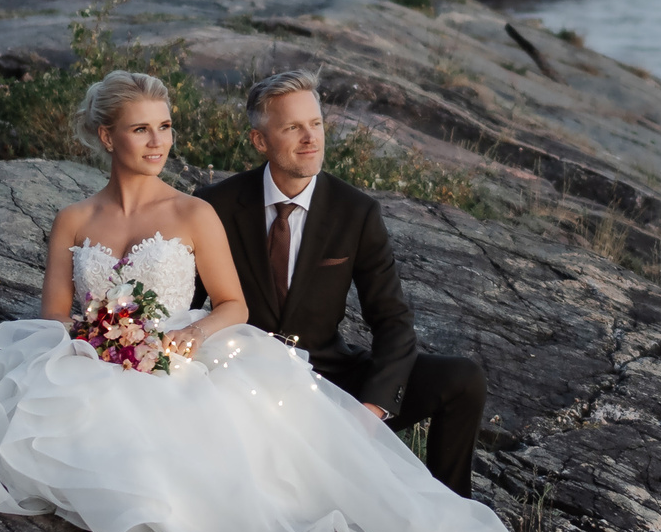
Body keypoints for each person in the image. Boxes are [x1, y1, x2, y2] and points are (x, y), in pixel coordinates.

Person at [0, 69, 516, 532]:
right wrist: (110, 336)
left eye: (166, 127)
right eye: (143, 128)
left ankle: (435, 500)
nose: (158, 141)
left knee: (449, 386)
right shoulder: (127, 213)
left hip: (268, 357)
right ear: (106, 136)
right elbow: (59, 320)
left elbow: (346, 317)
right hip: (126, 356)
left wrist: (367, 406)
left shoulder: (324, 211)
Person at [196, 70, 491, 498]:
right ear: (260, 141)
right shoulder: (215, 206)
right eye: (292, 127)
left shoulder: (356, 212)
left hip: (330, 379)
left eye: (315, 124)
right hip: (243, 381)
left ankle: (451, 505)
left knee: (462, 378)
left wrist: (369, 413)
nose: (310, 138)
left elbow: (392, 321)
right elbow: (189, 305)